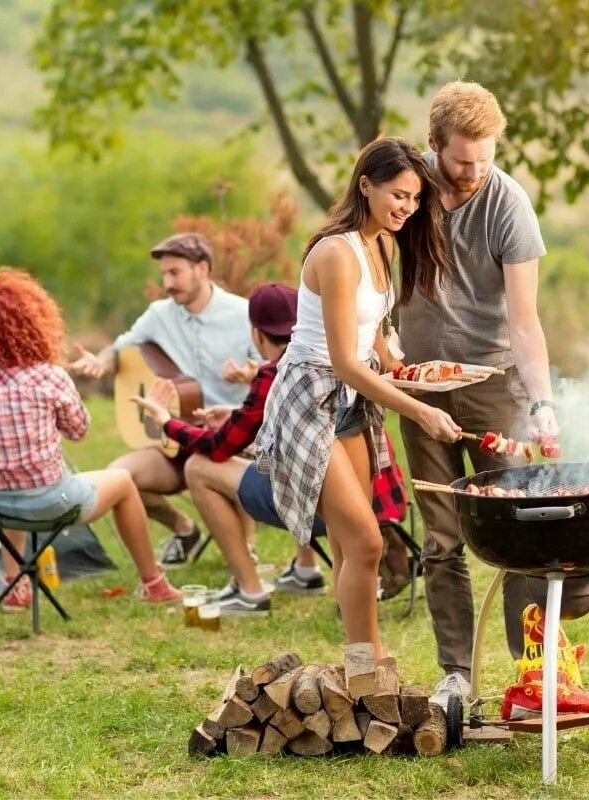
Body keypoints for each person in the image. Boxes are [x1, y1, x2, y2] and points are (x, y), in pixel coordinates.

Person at [255, 136, 459, 658]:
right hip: (310, 398)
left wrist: (399, 368)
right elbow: (343, 359)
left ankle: (361, 661)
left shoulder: (382, 244)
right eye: (398, 195)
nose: (407, 208)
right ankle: (369, 665)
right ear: (365, 185)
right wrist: (418, 408)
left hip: (351, 400)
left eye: (415, 199)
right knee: (368, 541)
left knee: (354, 543)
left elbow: (365, 329)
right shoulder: (336, 253)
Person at [397, 81, 560, 709]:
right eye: (462, 160)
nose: (473, 172)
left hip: (495, 385)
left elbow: (524, 320)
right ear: (434, 145)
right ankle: (456, 677)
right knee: (441, 540)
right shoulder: (406, 193)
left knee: (517, 531)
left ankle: (532, 672)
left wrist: (542, 404)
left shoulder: (509, 204)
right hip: (420, 388)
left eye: (484, 158)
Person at [132, 282, 410, 616]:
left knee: (200, 468)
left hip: (328, 512)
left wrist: (166, 422)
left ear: (257, 334)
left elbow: (218, 448)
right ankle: (306, 571)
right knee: (298, 451)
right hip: (381, 504)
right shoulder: (342, 357)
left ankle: (249, 591)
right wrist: (237, 416)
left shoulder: (278, 373)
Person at [0, 267, 180, 610]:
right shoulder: (50, 378)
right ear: (37, 323)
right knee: (124, 482)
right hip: (52, 502)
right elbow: (80, 432)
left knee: (7, 481)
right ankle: (153, 583)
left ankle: (16, 584)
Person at [69, 232, 258, 566]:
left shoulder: (243, 314)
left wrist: (249, 373)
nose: (168, 283)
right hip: (175, 437)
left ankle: (246, 551)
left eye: (175, 273)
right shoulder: (159, 314)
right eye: (164, 274)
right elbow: (122, 346)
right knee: (119, 477)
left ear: (202, 269)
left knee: (227, 471)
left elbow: (271, 370)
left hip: (228, 438)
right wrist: (101, 362)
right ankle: (184, 529)